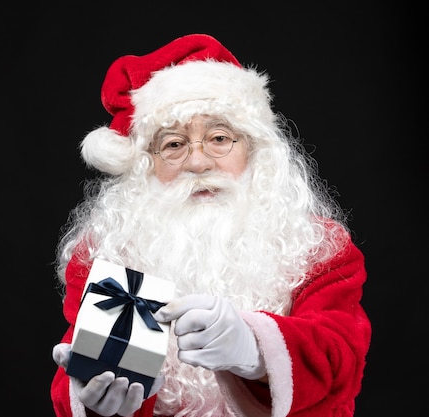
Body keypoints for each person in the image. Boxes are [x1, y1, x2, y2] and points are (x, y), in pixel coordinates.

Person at [50, 33, 371, 417]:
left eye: (219, 138)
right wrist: (95, 403)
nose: (198, 163)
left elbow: (343, 359)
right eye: (173, 144)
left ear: (252, 148)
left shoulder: (319, 247)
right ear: (145, 164)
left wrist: (255, 350)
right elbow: (70, 385)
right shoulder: (107, 251)